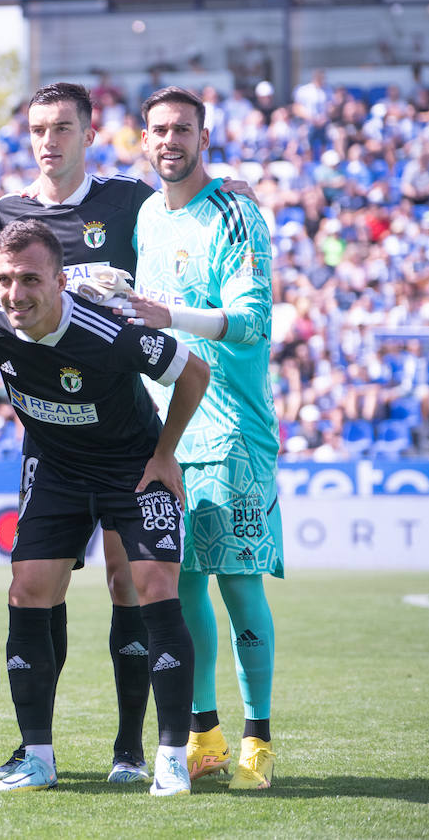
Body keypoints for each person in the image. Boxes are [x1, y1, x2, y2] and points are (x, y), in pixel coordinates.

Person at [0, 219, 209, 796]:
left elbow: (193, 371)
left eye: (30, 280)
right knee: (25, 592)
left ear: (61, 280)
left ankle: (168, 755)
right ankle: (38, 759)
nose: (15, 293)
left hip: (132, 467)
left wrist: (166, 455)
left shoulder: (109, 333)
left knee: (152, 590)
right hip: (58, 470)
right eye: (4, 280)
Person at [0, 81, 159, 784]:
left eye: (62, 127)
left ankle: (129, 749)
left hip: (121, 430)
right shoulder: (7, 213)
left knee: (126, 583)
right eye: (37, 128)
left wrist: (222, 187)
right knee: (34, 585)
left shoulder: (129, 202)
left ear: (89, 133)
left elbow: (184, 226)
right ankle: (37, 746)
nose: (48, 140)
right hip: (49, 435)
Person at [124, 85, 283, 791]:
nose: (169, 141)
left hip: (234, 432)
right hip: (169, 434)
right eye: (158, 129)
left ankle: (259, 737)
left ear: (204, 138)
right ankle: (205, 730)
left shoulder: (239, 212)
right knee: (182, 588)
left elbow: (250, 322)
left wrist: (166, 314)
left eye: (182, 129)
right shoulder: (147, 215)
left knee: (239, 587)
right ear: (145, 137)